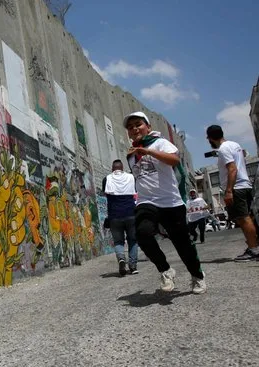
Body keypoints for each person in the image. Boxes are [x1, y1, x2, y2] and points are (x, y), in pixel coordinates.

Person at [124, 111, 206, 294]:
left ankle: (197, 276)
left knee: (182, 244)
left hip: (170, 202)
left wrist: (147, 151)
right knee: (142, 234)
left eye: (138, 124)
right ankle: (166, 270)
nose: (134, 129)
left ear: (148, 127)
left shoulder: (160, 143)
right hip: (146, 202)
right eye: (130, 127)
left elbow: (174, 160)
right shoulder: (131, 155)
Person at [206, 125, 259, 261]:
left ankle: (254, 250)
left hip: (237, 187)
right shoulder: (234, 144)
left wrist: (229, 191)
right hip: (245, 185)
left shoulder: (223, 149)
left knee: (243, 218)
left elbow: (232, 169)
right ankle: (253, 246)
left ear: (210, 138)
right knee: (248, 218)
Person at [102, 159, 138, 276]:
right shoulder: (131, 177)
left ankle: (121, 259)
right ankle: (132, 266)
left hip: (114, 216)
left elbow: (105, 193)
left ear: (112, 169)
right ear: (122, 168)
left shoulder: (107, 179)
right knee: (132, 240)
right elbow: (136, 192)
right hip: (131, 214)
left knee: (118, 242)